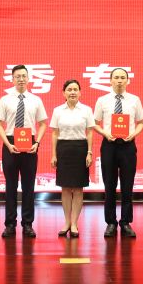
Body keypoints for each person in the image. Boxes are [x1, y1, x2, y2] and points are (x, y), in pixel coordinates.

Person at [0, 65, 47, 238]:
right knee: (10, 186)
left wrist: (37, 142)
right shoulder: (5, 100)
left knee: (28, 186)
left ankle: (28, 224)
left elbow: (43, 124)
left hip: (30, 144)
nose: (21, 79)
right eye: (17, 76)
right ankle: (10, 224)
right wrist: (8, 144)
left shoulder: (36, 100)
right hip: (10, 142)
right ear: (12, 79)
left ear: (28, 78)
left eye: (24, 76)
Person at [94, 67, 143, 238]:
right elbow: (94, 123)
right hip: (109, 145)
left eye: (123, 77)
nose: (119, 80)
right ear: (110, 80)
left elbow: (141, 122)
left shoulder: (135, 100)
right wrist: (105, 133)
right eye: (116, 77)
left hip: (128, 145)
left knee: (127, 185)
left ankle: (126, 222)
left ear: (127, 80)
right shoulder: (102, 100)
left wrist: (134, 133)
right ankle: (110, 222)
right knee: (109, 185)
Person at [50, 80, 95, 238]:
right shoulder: (57, 111)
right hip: (63, 148)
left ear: (80, 92)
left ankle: (75, 223)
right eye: (69, 89)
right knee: (65, 188)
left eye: (75, 89)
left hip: (80, 148)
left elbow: (90, 132)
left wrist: (89, 152)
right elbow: (55, 133)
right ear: (64, 93)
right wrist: (54, 154)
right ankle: (67, 222)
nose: (73, 92)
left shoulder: (86, 110)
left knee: (78, 188)